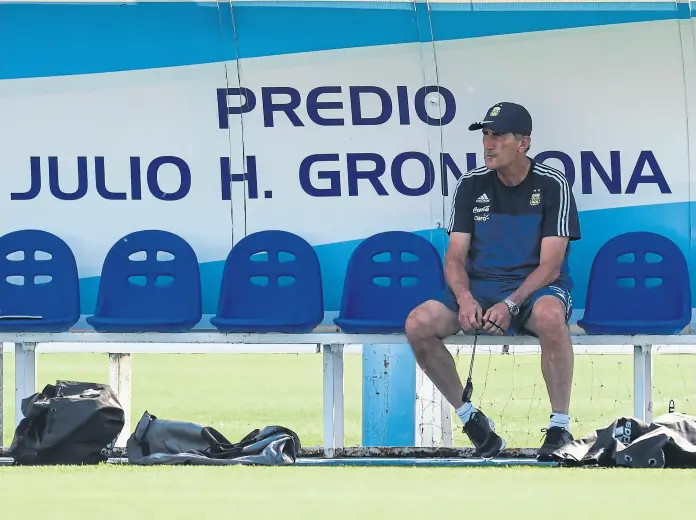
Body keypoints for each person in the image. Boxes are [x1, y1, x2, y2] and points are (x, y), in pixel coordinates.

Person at [404, 102, 581, 461]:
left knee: (550, 316)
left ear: (523, 143)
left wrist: (511, 303)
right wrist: (466, 297)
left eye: (498, 136)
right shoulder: (471, 184)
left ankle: (560, 427)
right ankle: (472, 422)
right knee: (418, 323)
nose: (488, 143)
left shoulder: (552, 184)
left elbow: (551, 265)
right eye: (485, 135)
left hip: (534, 290)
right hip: (482, 288)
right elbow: (454, 257)